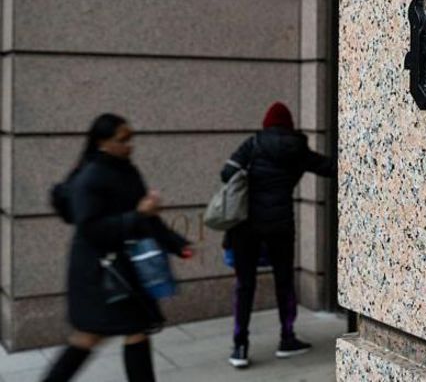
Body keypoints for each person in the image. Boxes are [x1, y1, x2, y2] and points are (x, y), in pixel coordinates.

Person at [43, 114, 192, 382]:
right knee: (89, 336)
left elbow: (147, 218)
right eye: (123, 139)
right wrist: (139, 214)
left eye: (131, 138)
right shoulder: (91, 177)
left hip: (122, 267)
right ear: (102, 142)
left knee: (135, 330)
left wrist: (177, 245)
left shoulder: (126, 170)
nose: (130, 145)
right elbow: (92, 229)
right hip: (98, 273)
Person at [222, 102, 335, 368]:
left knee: (245, 286)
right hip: (280, 226)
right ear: (289, 125)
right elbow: (329, 167)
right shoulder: (297, 149)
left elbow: (226, 173)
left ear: (266, 124)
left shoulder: (253, 144)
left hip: (246, 226)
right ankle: (287, 338)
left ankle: (240, 346)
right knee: (284, 282)